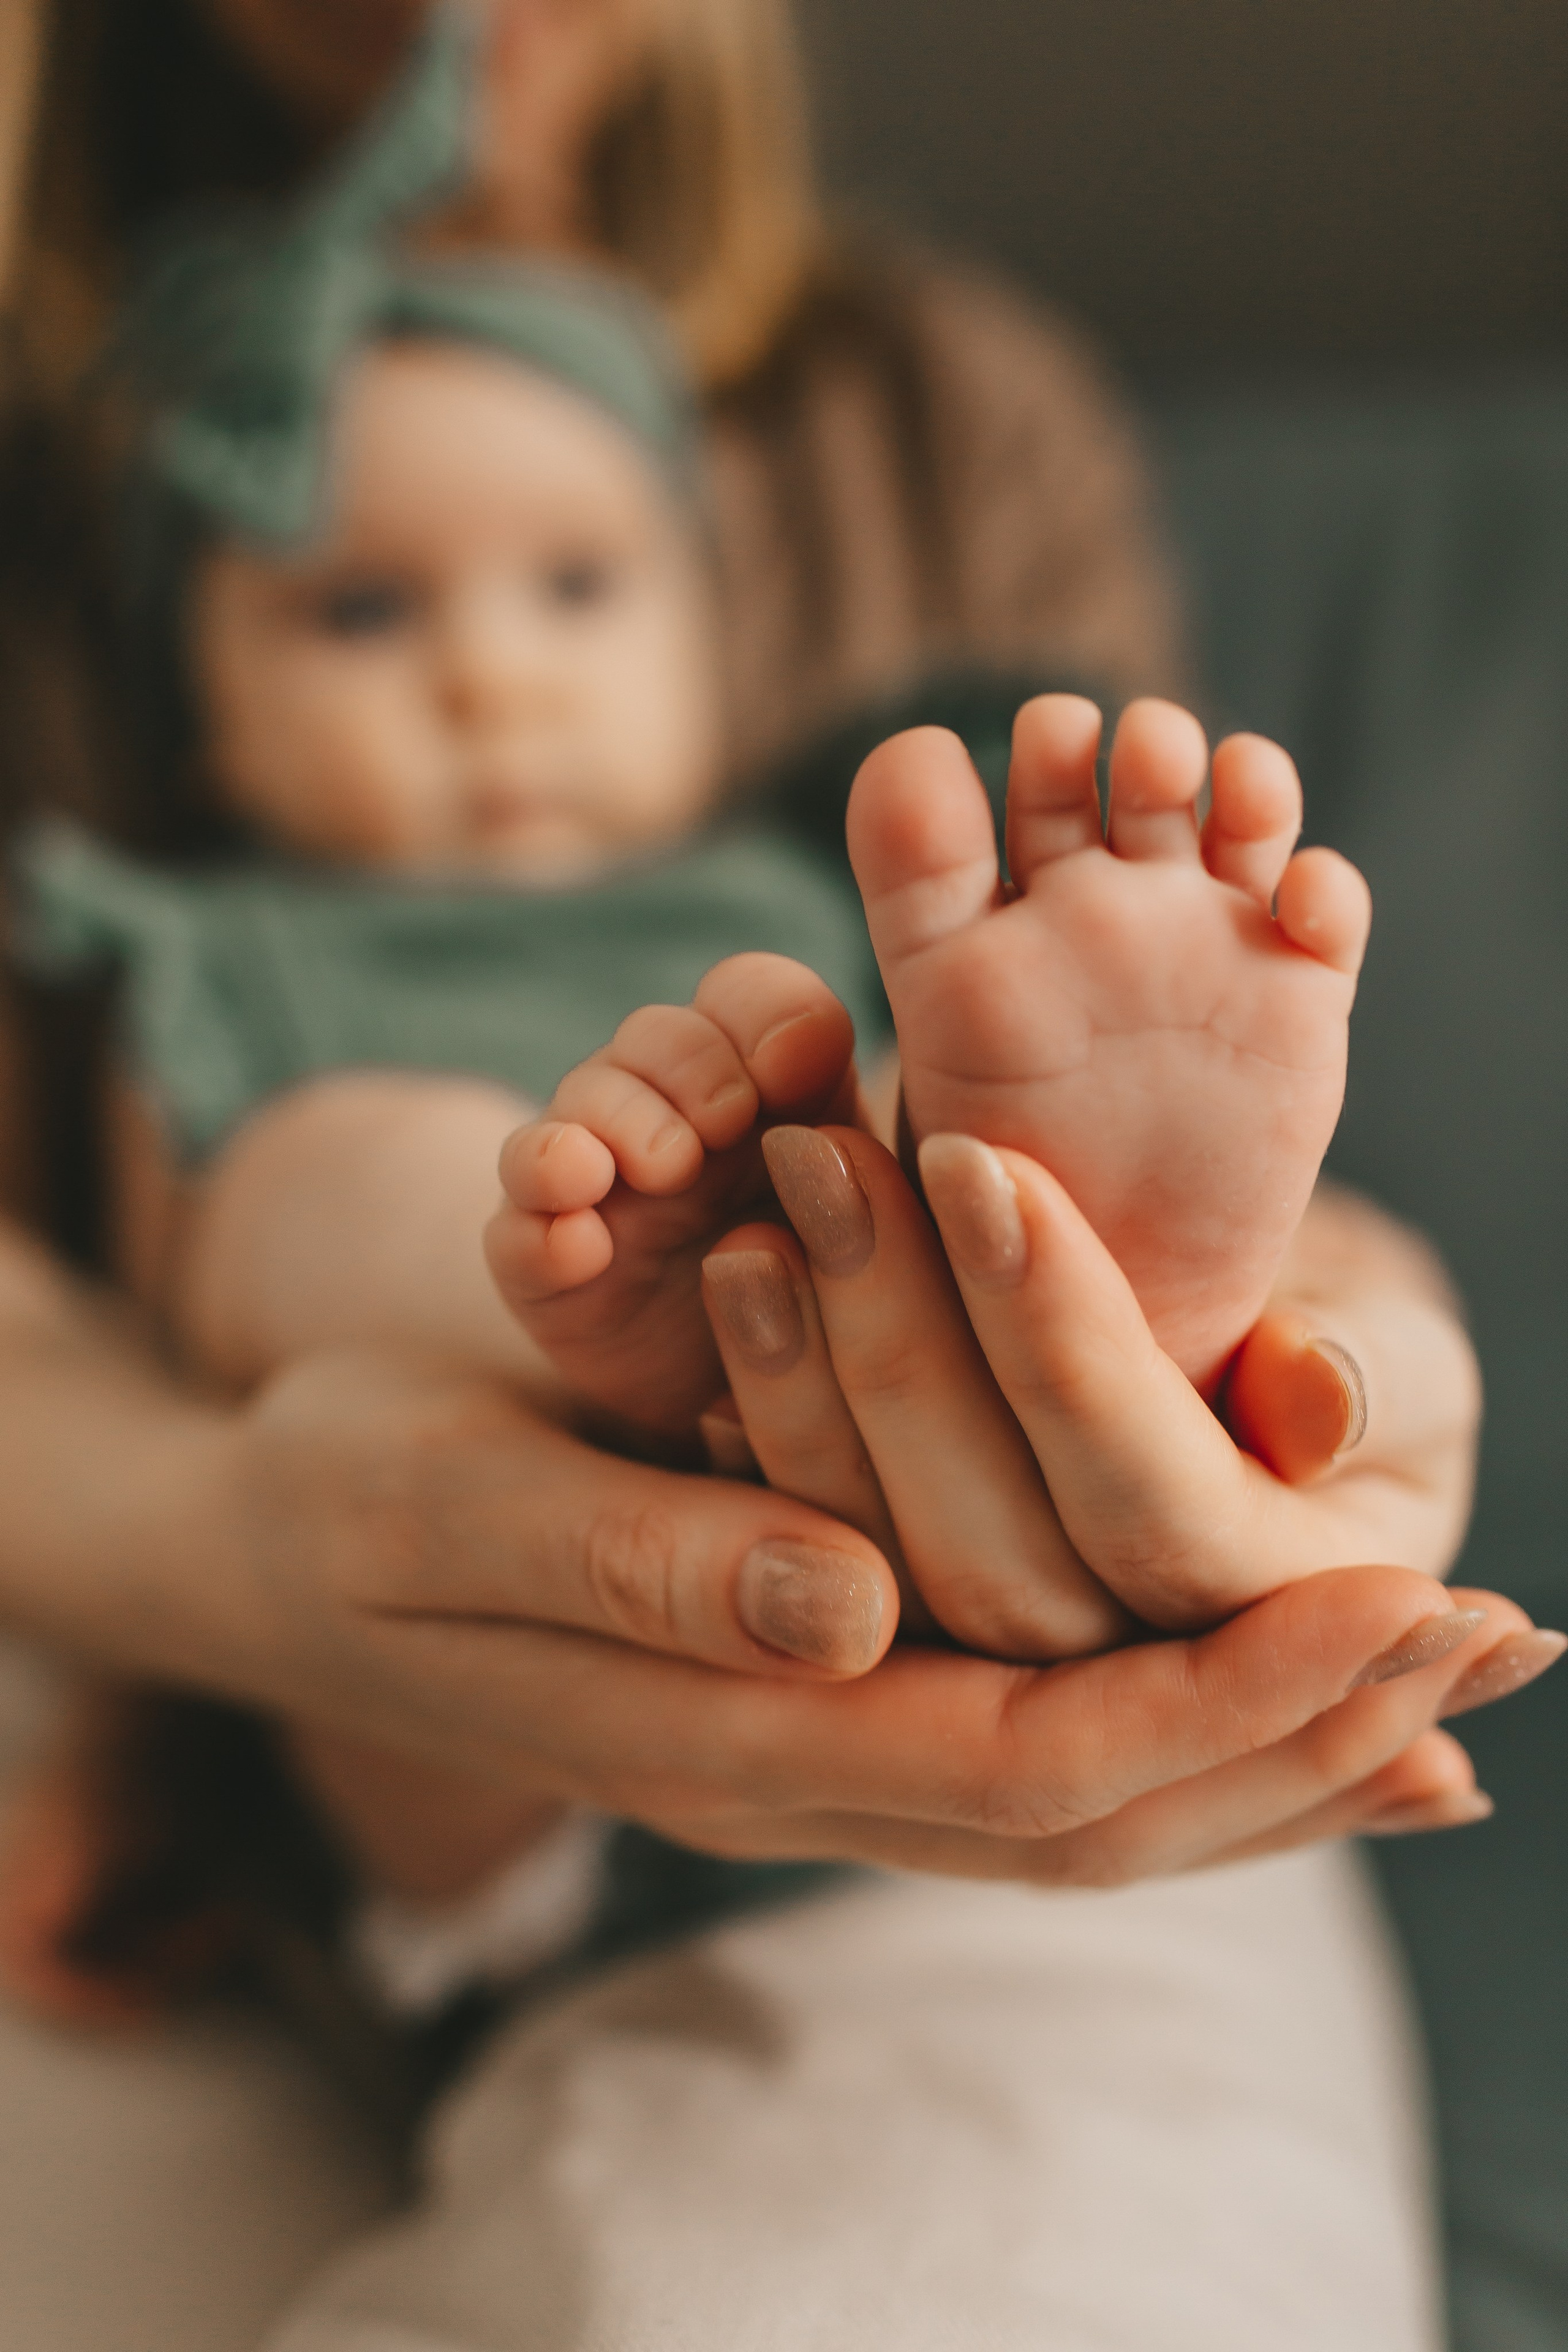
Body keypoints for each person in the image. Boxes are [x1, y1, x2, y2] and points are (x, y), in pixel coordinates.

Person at [0, 3, 1553, 2346]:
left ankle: (1055, 1265)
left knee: (846, 1095)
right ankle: (600, 1307)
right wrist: (151, 1657)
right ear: (196, 692)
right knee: (329, 1175)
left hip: (894, 1468)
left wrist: (1337, 1329)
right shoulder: (209, 938)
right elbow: (134, 1296)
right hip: (373, 1650)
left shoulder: (813, 815)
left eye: (578, 594)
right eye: (357, 611)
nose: (485, 684)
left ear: (717, 624)